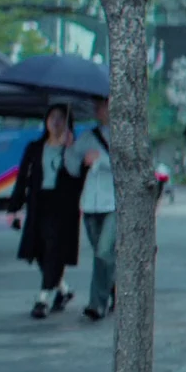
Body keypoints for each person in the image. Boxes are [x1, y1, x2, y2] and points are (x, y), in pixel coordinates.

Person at [9, 104, 82, 318]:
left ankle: (42, 298)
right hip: (38, 203)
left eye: (61, 118)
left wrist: (71, 150)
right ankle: (63, 290)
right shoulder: (35, 148)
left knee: (53, 249)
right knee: (39, 250)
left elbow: (79, 177)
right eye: (52, 117)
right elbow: (23, 178)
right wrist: (14, 208)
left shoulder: (73, 148)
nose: (56, 122)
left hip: (63, 206)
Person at [63, 96, 118, 321]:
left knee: (104, 252)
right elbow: (73, 168)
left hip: (114, 202)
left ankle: (97, 303)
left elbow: (130, 166)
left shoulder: (123, 136)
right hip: (90, 203)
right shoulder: (87, 137)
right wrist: (69, 147)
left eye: (103, 106)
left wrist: (100, 160)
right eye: (97, 107)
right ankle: (117, 288)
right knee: (102, 255)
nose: (99, 110)